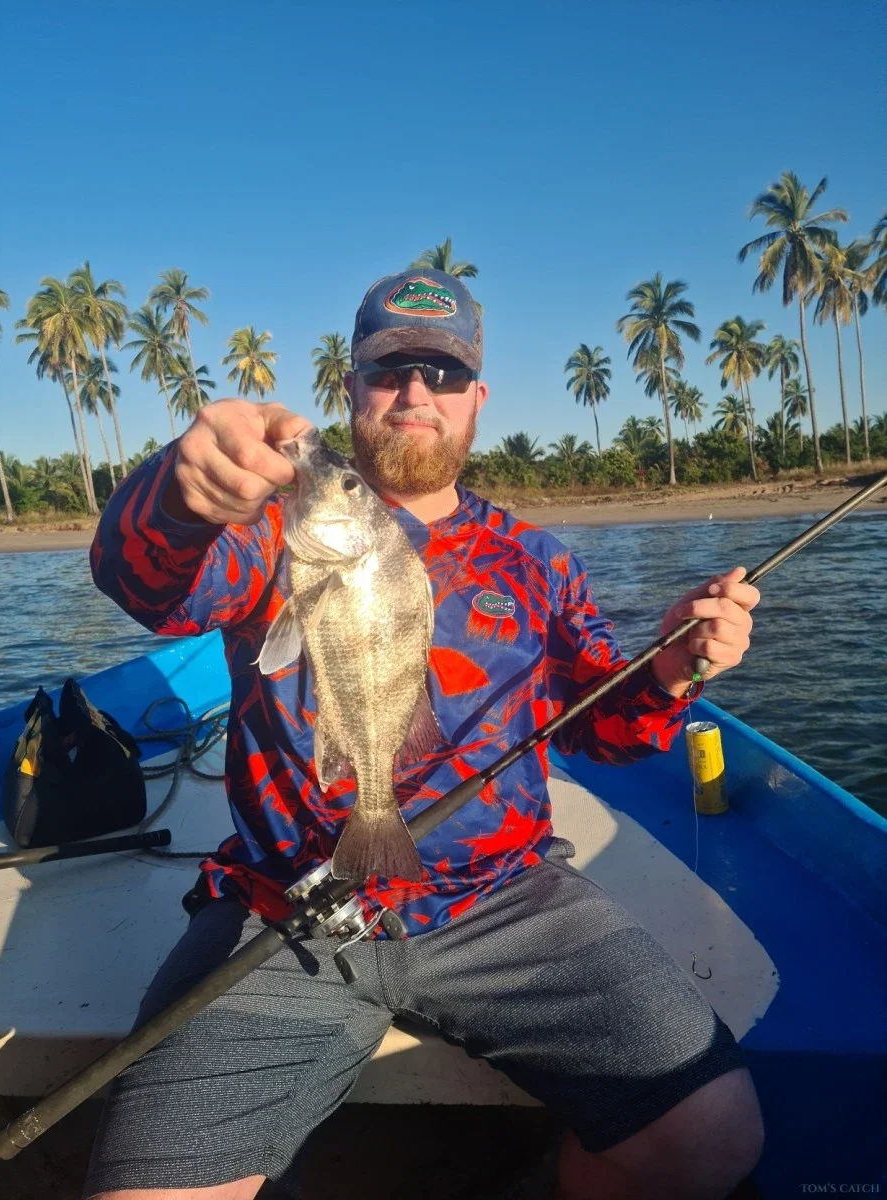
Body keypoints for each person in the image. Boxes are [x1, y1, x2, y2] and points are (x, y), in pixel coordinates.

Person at [84, 268, 763, 1200]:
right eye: (388, 370)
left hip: (503, 896)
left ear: (476, 397)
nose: (414, 392)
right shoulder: (279, 533)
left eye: (442, 374)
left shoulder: (536, 561)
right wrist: (177, 493)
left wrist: (671, 669)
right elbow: (146, 583)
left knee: (710, 1136)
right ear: (352, 388)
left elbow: (603, 731)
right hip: (289, 902)